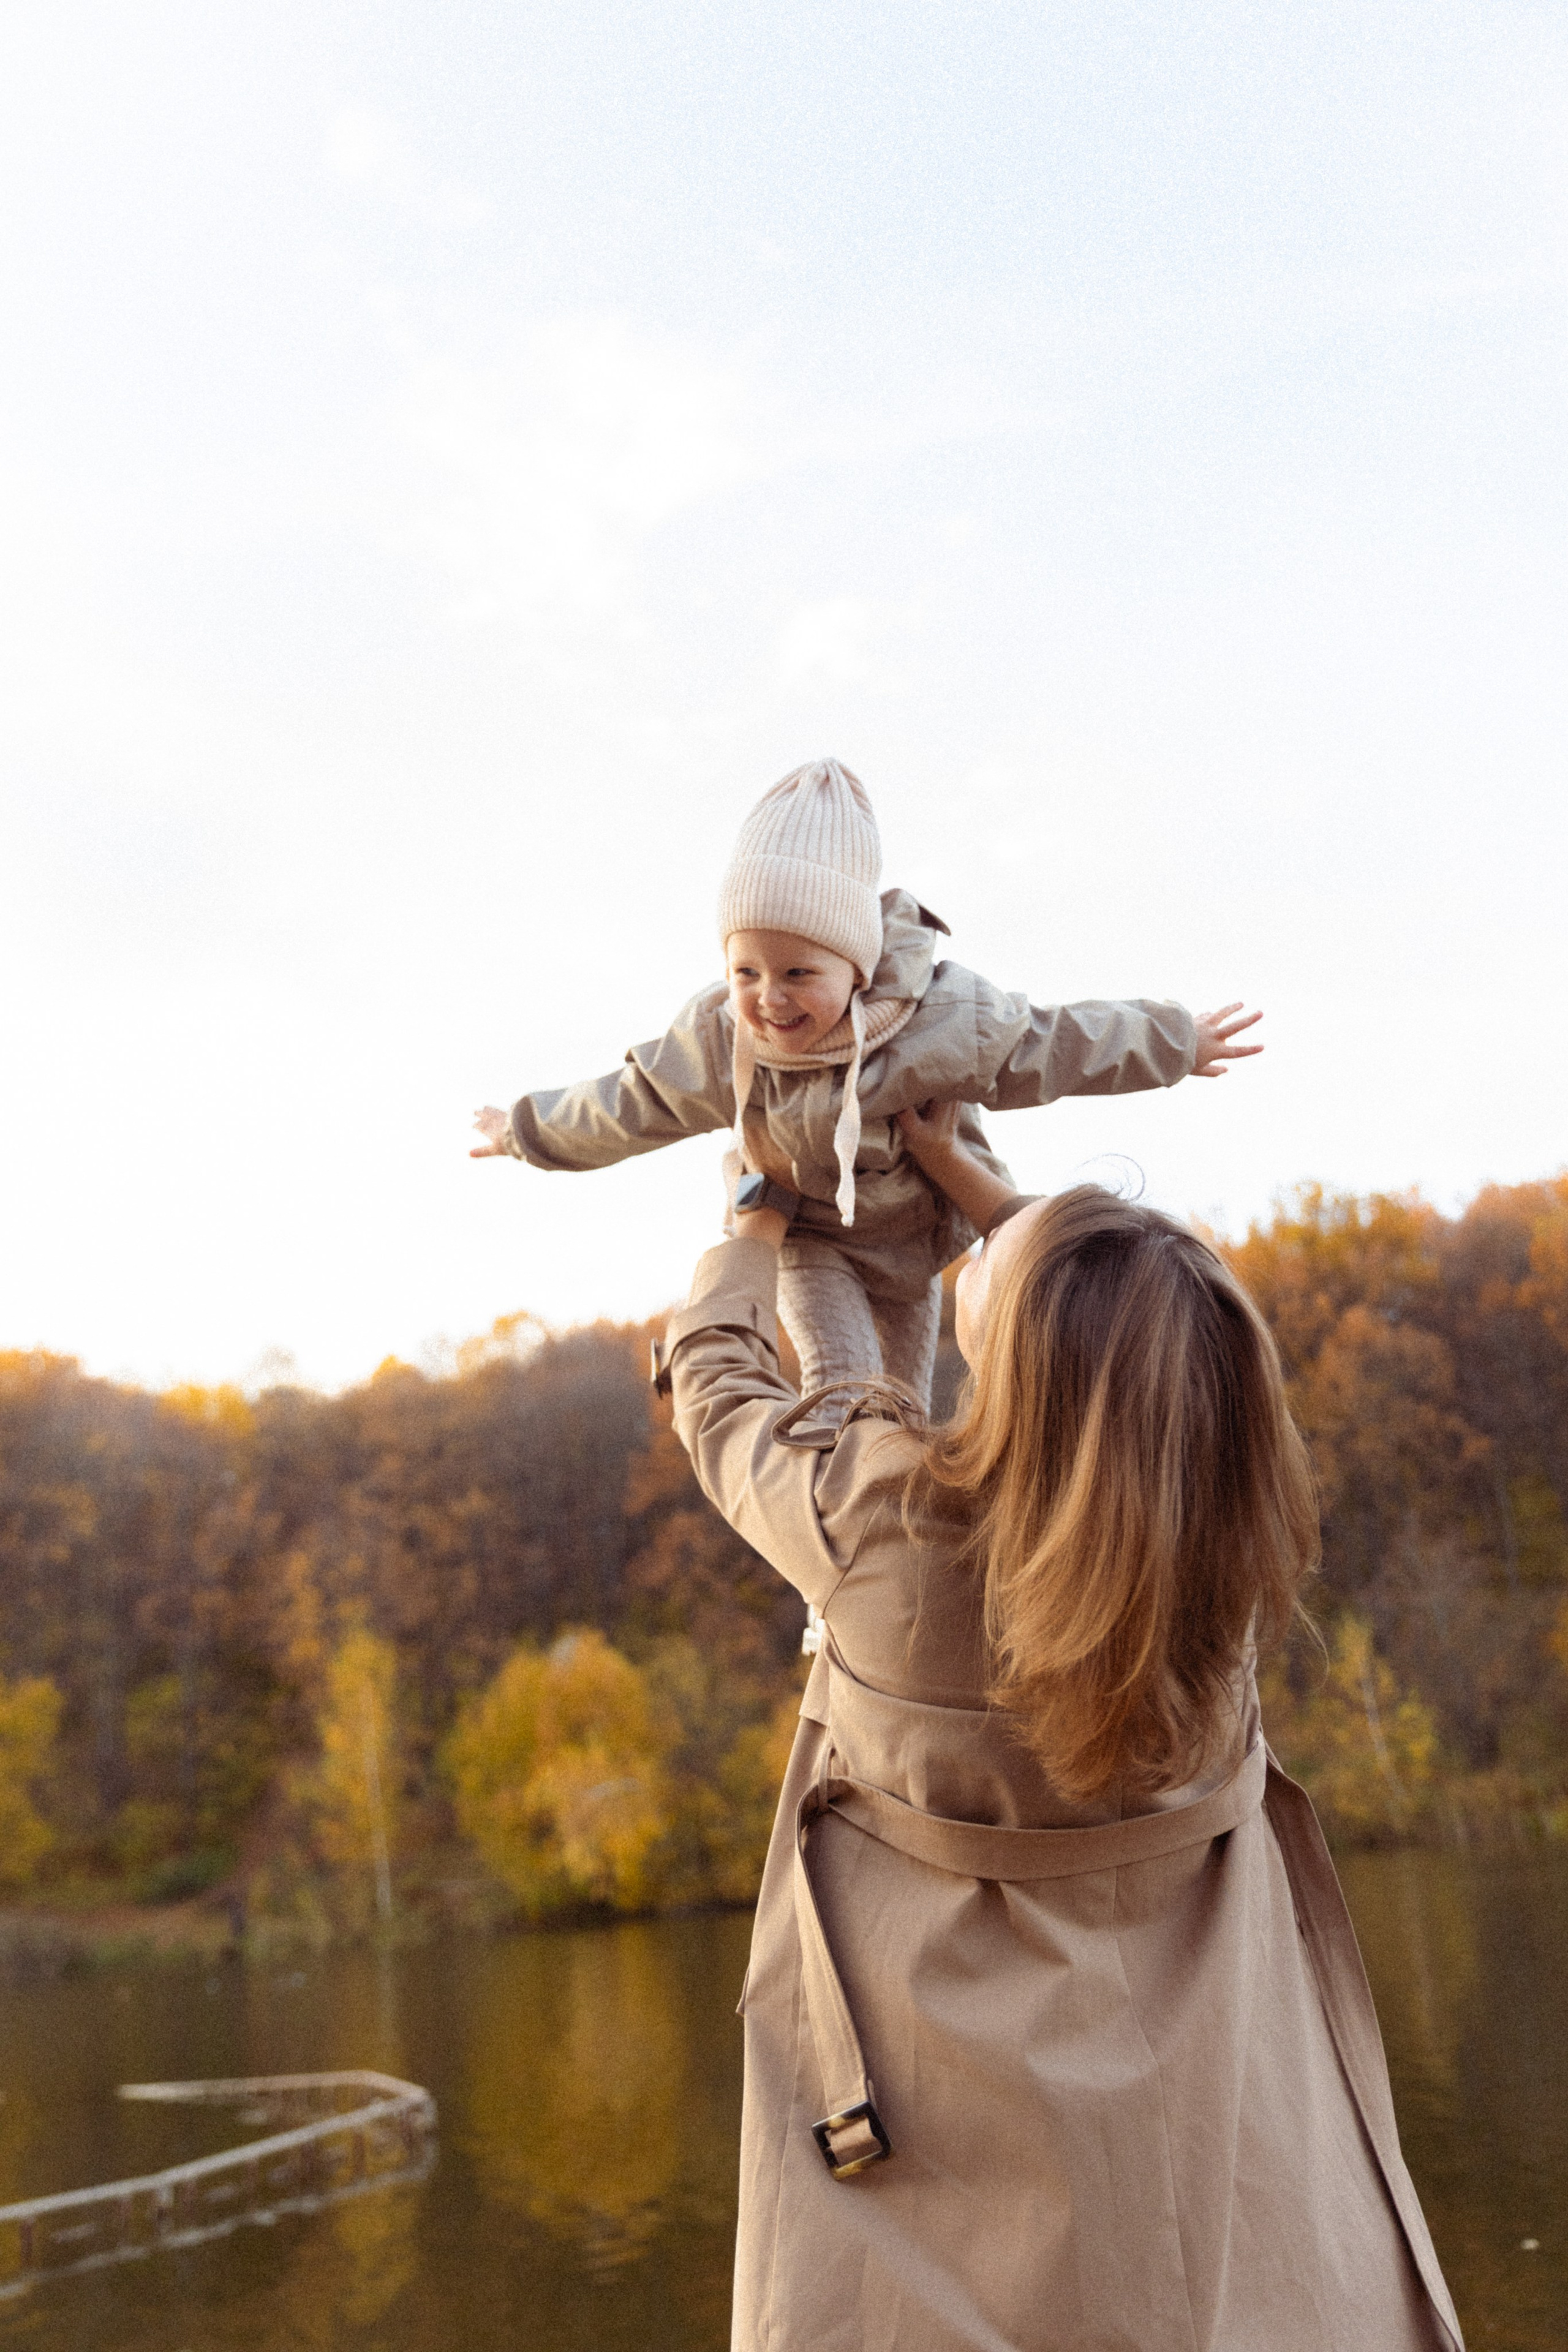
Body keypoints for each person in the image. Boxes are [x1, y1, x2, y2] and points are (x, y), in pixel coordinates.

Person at [654, 1102, 1463, 2352]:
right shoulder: (1213, 1570)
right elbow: (1141, 1357)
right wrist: (970, 1188)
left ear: (1023, 1363)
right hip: (1186, 2101)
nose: (983, 1251)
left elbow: (717, 1396)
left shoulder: (883, 1531)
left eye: (996, 1264)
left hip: (934, 2116)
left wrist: (748, 1230)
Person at [472, 758, 1262, 1414]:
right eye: (744, 971)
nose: (769, 998)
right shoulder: (722, 1040)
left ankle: (897, 1576)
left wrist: (1174, 1041)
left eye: (798, 973)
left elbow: (1054, 1044)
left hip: (914, 1249)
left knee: (905, 1418)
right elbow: (628, 1104)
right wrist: (523, 1130)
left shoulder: (940, 1021)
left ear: (857, 964)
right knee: (846, 1398)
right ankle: (835, 1593)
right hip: (814, 1244)